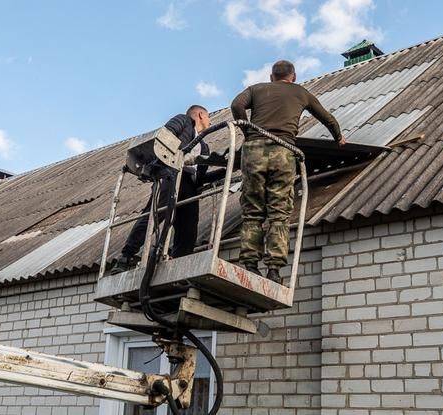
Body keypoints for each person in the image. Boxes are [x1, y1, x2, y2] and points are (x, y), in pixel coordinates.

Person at [230, 60, 346, 283]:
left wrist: (249, 131)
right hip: (283, 151)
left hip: (253, 151)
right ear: (293, 76)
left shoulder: (257, 89)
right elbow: (327, 118)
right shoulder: (301, 92)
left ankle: (250, 265)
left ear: (272, 76)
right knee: (279, 212)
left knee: (252, 211)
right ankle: (274, 270)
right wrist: (338, 137)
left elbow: (236, 105)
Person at [111, 105, 213, 274]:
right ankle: (125, 256)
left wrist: (227, 170)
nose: (210, 122)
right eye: (209, 118)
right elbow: (163, 139)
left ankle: (180, 265)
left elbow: (201, 177)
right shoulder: (183, 121)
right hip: (170, 174)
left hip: (189, 184)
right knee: (155, 214)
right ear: (201, 115)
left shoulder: (204, 147)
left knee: (188, 226)